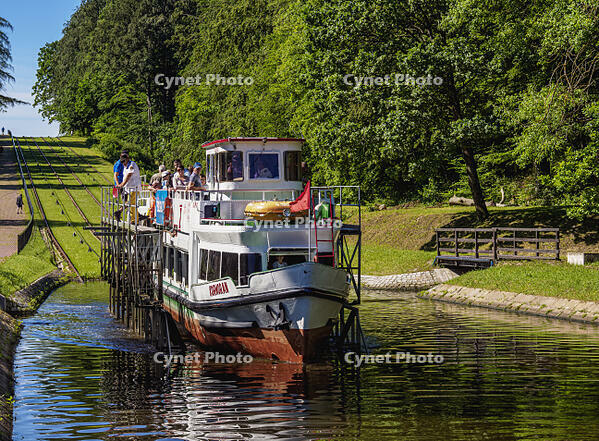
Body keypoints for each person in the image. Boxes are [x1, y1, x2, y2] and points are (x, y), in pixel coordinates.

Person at [116, 152, 141, 222]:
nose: (123, 163)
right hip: (128, 189)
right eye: (122, 161)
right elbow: (124, 177)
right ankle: (134, 220)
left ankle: (120, 212)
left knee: (131, 203)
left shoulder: (131, 165)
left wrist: (122, 185)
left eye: (124, 161)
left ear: (127, 159)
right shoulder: (125, 167)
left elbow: (129, 176)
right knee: (132, 204)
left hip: (134, 188)